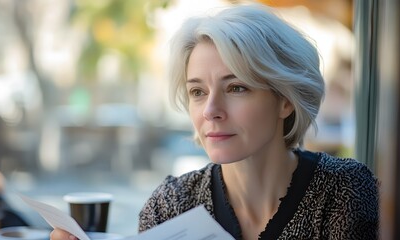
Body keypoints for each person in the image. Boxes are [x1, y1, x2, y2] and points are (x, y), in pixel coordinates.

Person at [51, 3, 379, 240]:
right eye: (197, 91)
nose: (210, 110)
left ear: (286, 100)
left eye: (236, 88)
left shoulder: (343, 189)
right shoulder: (172, 203)